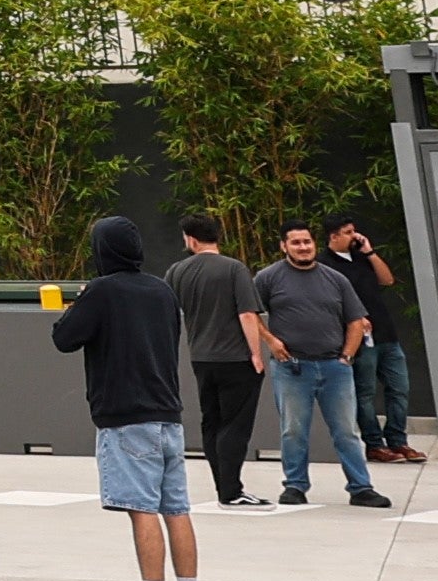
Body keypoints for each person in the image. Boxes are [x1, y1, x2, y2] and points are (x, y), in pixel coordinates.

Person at [57, 212, 201, 581]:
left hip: (126, 416)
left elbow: (64, 338)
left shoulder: (102, 290)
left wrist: (82, 298)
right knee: (176, 509)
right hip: (168, 415)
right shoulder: (161, 290)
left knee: (141, 509)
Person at [253, 223, 386, 507]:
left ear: (315, 244)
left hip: (334, 367)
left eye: (307, 242)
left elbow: (355, 320)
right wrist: (271, 342)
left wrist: (347, 357)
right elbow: (250, 314)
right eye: (296, 242)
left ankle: (361, 487)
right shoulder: (268, 277)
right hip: (292, 367)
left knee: (347, 431)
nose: (303, 247)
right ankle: (295, 486)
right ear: (283, 246)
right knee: (293, 430)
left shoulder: (335, 279)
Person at [169, 214, 259, 502]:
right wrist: (256, 353)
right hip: (235, 358)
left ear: (191, 239)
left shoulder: (176, 272)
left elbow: (169, 312)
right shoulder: (234, 269)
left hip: (201, 358)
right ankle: (232, 489)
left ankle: (224, 486)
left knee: (212, 422)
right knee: (235, 424)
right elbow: (247, 314)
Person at [332, 218, 417, 465]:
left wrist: (369, 252)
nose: (354, 236)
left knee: (399, 387)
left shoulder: (361, 257)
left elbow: (387, 280)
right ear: (333, 236)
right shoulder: (326, 265)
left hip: (386, 333)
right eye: (348, 232)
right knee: (366, 391)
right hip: (360, 337)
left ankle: (398, 440)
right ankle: (374, 444)